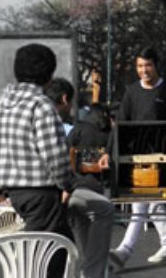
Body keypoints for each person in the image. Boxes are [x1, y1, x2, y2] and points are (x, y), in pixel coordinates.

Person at [0, 43, 73, 278]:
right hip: (43, 193)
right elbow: (54, 153)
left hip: (15, 194)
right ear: (50, 76)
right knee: (50, 258)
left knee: (38, 252)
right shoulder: (41, 106)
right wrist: (66, 184)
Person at [110, 46, 166, 267]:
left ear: (156, 65)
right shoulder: (131, 92)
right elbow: (120, 124)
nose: (144, 70)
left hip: (162, 158)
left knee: (140, 203)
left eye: (148, 65)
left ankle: (124, 251)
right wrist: (108, 152)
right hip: (135, 157)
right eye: (140, 66)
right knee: (149, 202)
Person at [66, 104, 115, 278]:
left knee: (81, 224)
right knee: (100, 222)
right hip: (98, 186)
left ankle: (88, 266)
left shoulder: (78, 129)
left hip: (76, 186)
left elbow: (68, 151)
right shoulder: (109, 134)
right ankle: (95, 270)